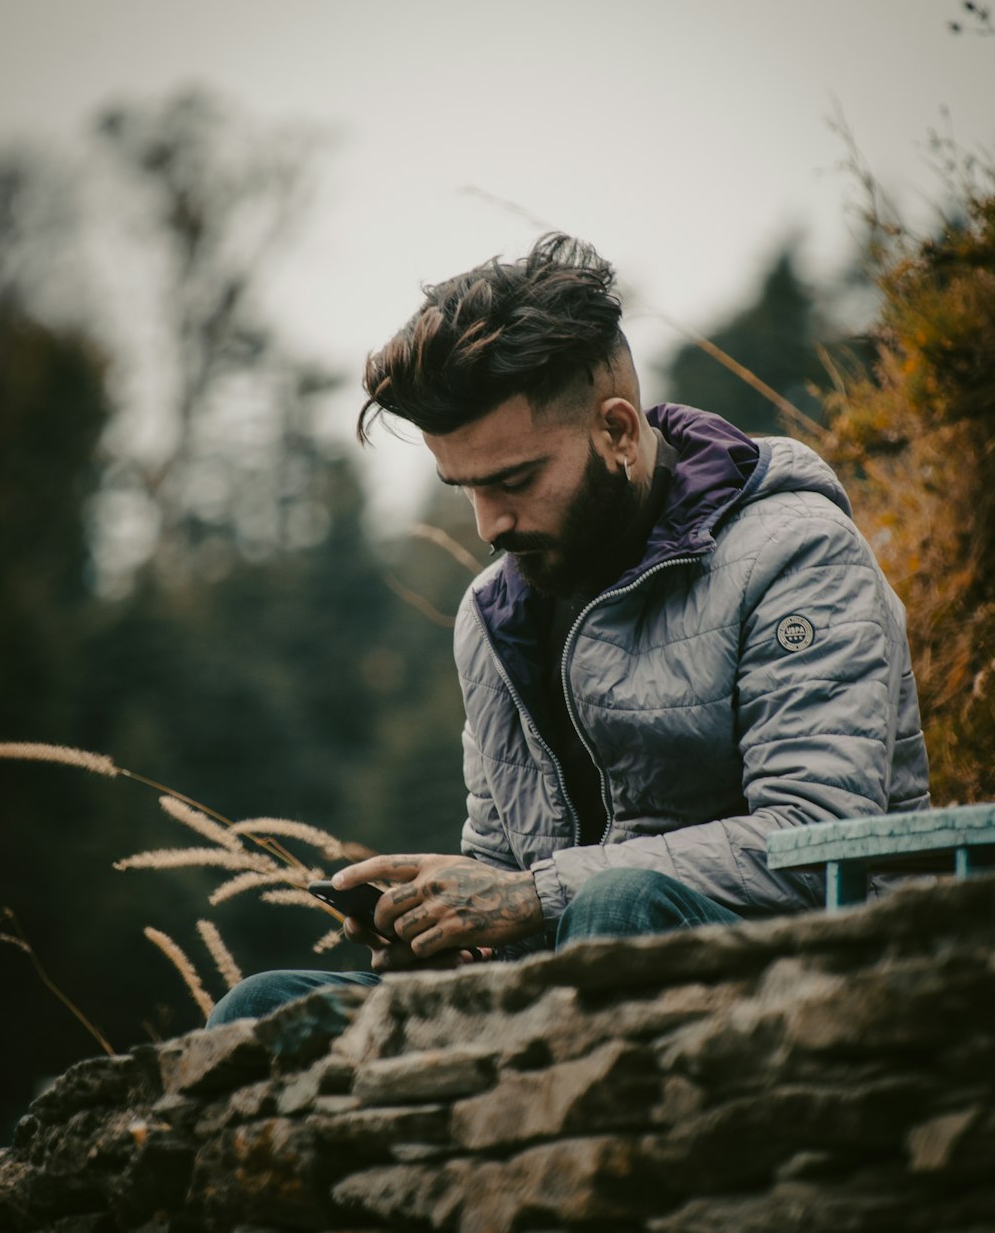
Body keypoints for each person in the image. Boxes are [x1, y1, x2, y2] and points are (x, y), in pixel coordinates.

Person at [208, 234, 929, 1026]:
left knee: (620, 911)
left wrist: (533, 896)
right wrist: (449, 926)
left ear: (618, 432)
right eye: (465, 488)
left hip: (795, 988)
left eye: (514, 481)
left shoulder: (794, 554)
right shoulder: (495, 616)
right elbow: (502, 868)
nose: (488, 525)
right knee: (261, 1011)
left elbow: (823, 841)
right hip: (556, 991)